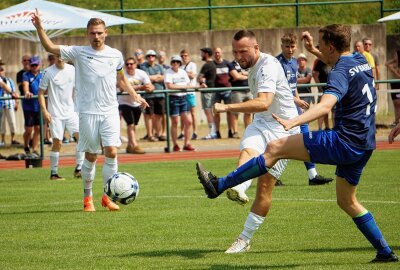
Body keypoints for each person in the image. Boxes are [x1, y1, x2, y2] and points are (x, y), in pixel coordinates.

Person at [196, 25, 399, 263]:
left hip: (343, 140)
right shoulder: (359, 60)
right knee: (347, 201)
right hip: (365, 144)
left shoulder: (338, 72)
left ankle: (220, 185)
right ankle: (385, 252)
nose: (319, 49)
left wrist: (295, 120)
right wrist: (313, 49)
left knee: (275, 148)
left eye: (321, 45)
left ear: (331, 46)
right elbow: (336, 62)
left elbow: (324, 106)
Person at [31, 10, 148, 212]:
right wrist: (40, 27)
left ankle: (107, 196)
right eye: (93, 33)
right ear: (87, 33)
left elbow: (121, 79)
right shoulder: (78, 52)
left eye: (100, 33)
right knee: (92, 156)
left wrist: (135, 96)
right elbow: (49, 47)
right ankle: (87, 197)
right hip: (87, 112)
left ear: (106, 33)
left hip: (110, 110)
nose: (96, 37)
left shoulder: (115, 55)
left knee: (111, 150)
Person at [274, 33, 333, 187]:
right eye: (287, 46)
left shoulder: (294, 63)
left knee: (306, 138)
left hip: (294, 109)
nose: (290, 49)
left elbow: (292, 88)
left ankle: (312, 175)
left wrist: (298, 100)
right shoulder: (277, 63)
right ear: (282, 46)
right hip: (282, 109)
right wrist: (297, 101)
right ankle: (271, 175)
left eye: (292, 46)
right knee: (280, 143)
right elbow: (278, 90)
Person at [38, 55, 84, 180]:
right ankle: (54, 173)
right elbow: (41, 93)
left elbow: (78, 89)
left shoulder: (73, 70)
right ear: (53, 58)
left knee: (81, 139)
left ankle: (79, 169)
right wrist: (45, 111)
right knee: (57, 142)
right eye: (57, 56)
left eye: (62, 56)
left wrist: (79, 108)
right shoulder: (48, 72)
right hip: (55, 114)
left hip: (71, 112)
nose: (60, 58)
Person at [119, 57, 154, 154]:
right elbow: (123, 88)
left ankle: (130, 146)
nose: (129, 66)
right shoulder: (122, 74)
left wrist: (149, 88)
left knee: (134, 124)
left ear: (135, 65)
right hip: (124, 102)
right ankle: (134, 145)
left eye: (131, 64)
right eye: (127, 64)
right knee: (130, 124)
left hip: (136, 102)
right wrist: (141, 87)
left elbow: (150, 86)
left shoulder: (141, 73)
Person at [164, 55, 197, 151]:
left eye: (177, 62)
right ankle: (175, 144)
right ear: (171, 63)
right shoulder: (168, 72)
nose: (175, 64)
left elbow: (188, 84)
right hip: (173, 98)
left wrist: (199, 86)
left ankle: (187, 143)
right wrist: (182, 87)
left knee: (189, 121)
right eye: (173, 62)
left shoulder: (183, 72)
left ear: (179, 63)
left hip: (183, 97)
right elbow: (170, 86)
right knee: (175, 122)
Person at [140, 49, 166, 142]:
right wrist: (156, 77)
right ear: (146, 57)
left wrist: (152, 78)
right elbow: (144, 78)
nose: (151, 58)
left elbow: (163, 77)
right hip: (148, 95)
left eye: (153, 56)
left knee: (159, 115)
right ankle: (150, 135)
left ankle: (158, 134)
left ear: (155, 57)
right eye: (149, 56)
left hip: (160, 93)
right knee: (149, 116)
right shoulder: (143, 67)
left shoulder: (159, 66)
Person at [22, 55, 42, 155]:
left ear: (40, 65)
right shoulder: (26, 75)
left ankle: (34, 149)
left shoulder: (43, 74)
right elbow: (25, 86)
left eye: (36, 65)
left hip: (39, 106)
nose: (34, 67)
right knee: (29, 130)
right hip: (28, 106)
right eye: (32, 65)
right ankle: (26, 145)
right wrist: (27, 92)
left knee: (38, 129)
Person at [227, 59, 252, 136]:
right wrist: (248, 75)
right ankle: (235, 132)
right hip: (237, 91)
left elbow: (253, 73)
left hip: (249, 90)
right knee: (235, 112)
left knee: (249, 112)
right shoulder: (232, 64)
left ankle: (248, 131)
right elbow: (236, 76)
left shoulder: (248, 62)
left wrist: (243, 73)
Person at [213, 47, 234, 139]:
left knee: (229, 112)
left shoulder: (227, 63)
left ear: (221, 53)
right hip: (215, 91)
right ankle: (217, 132)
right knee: (216, 112)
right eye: (216, 53)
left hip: (227, 91)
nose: (217, 54)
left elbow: (234, 75)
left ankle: (230, 131)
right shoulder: (211, 65)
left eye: (219, 52)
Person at [198, 47, 217, 140]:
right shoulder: (212, 64)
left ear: (206, 54)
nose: (201, 55)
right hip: (211, 91)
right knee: (209, 112)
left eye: (202, 53)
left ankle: (212, 132)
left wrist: (201, 81)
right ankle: (213, 132)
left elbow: (199, 77)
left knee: (208, 112)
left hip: (208, 91)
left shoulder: (207, 65)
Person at [178, 49, 198, 140]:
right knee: (183, 113)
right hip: (182, 92)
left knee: (193, 112)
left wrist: (183, 73)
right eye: (182, 56)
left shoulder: (192, 65)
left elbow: (192, 76)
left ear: (189, 56)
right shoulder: (180, 66)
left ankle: (195, 132)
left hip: (190, 92)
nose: (184, 58)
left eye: (185, 56)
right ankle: (182, 132)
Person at [0, 62, 20, 146]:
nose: (0, 71)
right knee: (2, 124)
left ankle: (13, 139)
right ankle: (2, 140)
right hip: (1, 104)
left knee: (12, 122)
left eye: (1, 70)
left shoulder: (9, 80)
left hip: (9, 104)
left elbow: (14, 91)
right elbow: (3, 85)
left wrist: (17, 103)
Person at [312, 55, 331, 130]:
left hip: (333, 90)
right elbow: (315, 75)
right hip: (323, 91)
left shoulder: (333, 60)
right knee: (322, 110)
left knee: (333, 111)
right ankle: (321, 128)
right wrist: (320, 88)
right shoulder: (319, 62)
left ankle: (332, 128)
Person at [385, 51, 400, 125]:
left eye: (395, 55)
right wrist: (394, 60)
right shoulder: (394, 64)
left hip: (398, 85)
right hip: (393, 84)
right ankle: (396, 121)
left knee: (398, 103)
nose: (394, 56)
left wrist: (393, 71)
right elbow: (386, 64)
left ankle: (398, 120)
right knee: (395, 103)